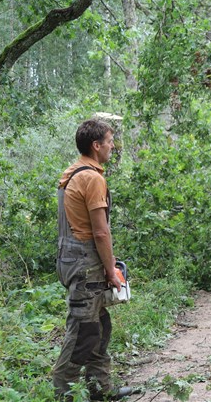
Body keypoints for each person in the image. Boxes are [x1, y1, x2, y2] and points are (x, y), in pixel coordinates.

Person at [52, 118, 135, 401]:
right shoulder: (92, 178)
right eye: (110, 142)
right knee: (83, 332)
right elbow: (100, 231)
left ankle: (101, 389)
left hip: (70, 259)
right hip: (85, 265)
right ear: (96, 145)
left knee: (99, 324)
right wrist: (111, 270)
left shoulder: (72, 173)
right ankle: (62, 393)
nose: (113, 146)